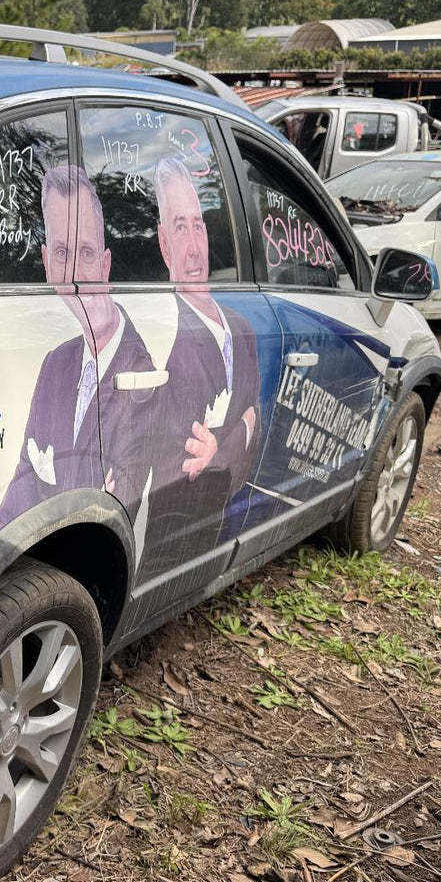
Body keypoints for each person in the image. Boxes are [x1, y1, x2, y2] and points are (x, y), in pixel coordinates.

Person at [0, 166, 155, 536]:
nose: (76, 273)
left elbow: (117, 500)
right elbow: (20, 489)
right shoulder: (55, 365)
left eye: (87, 252)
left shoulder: (141, 369)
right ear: (47, 264)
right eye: (63, 253)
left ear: (106, 263)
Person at [117, 156, 260, 584]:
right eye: (180, 228)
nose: (195, 246)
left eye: (198, 225)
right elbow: (176, 455)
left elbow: (258, 417)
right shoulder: (161, 342)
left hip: (222, 534)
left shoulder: (242, 327)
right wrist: (240, 431)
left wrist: (225, 446)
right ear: (163, 245)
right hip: (168, 559)